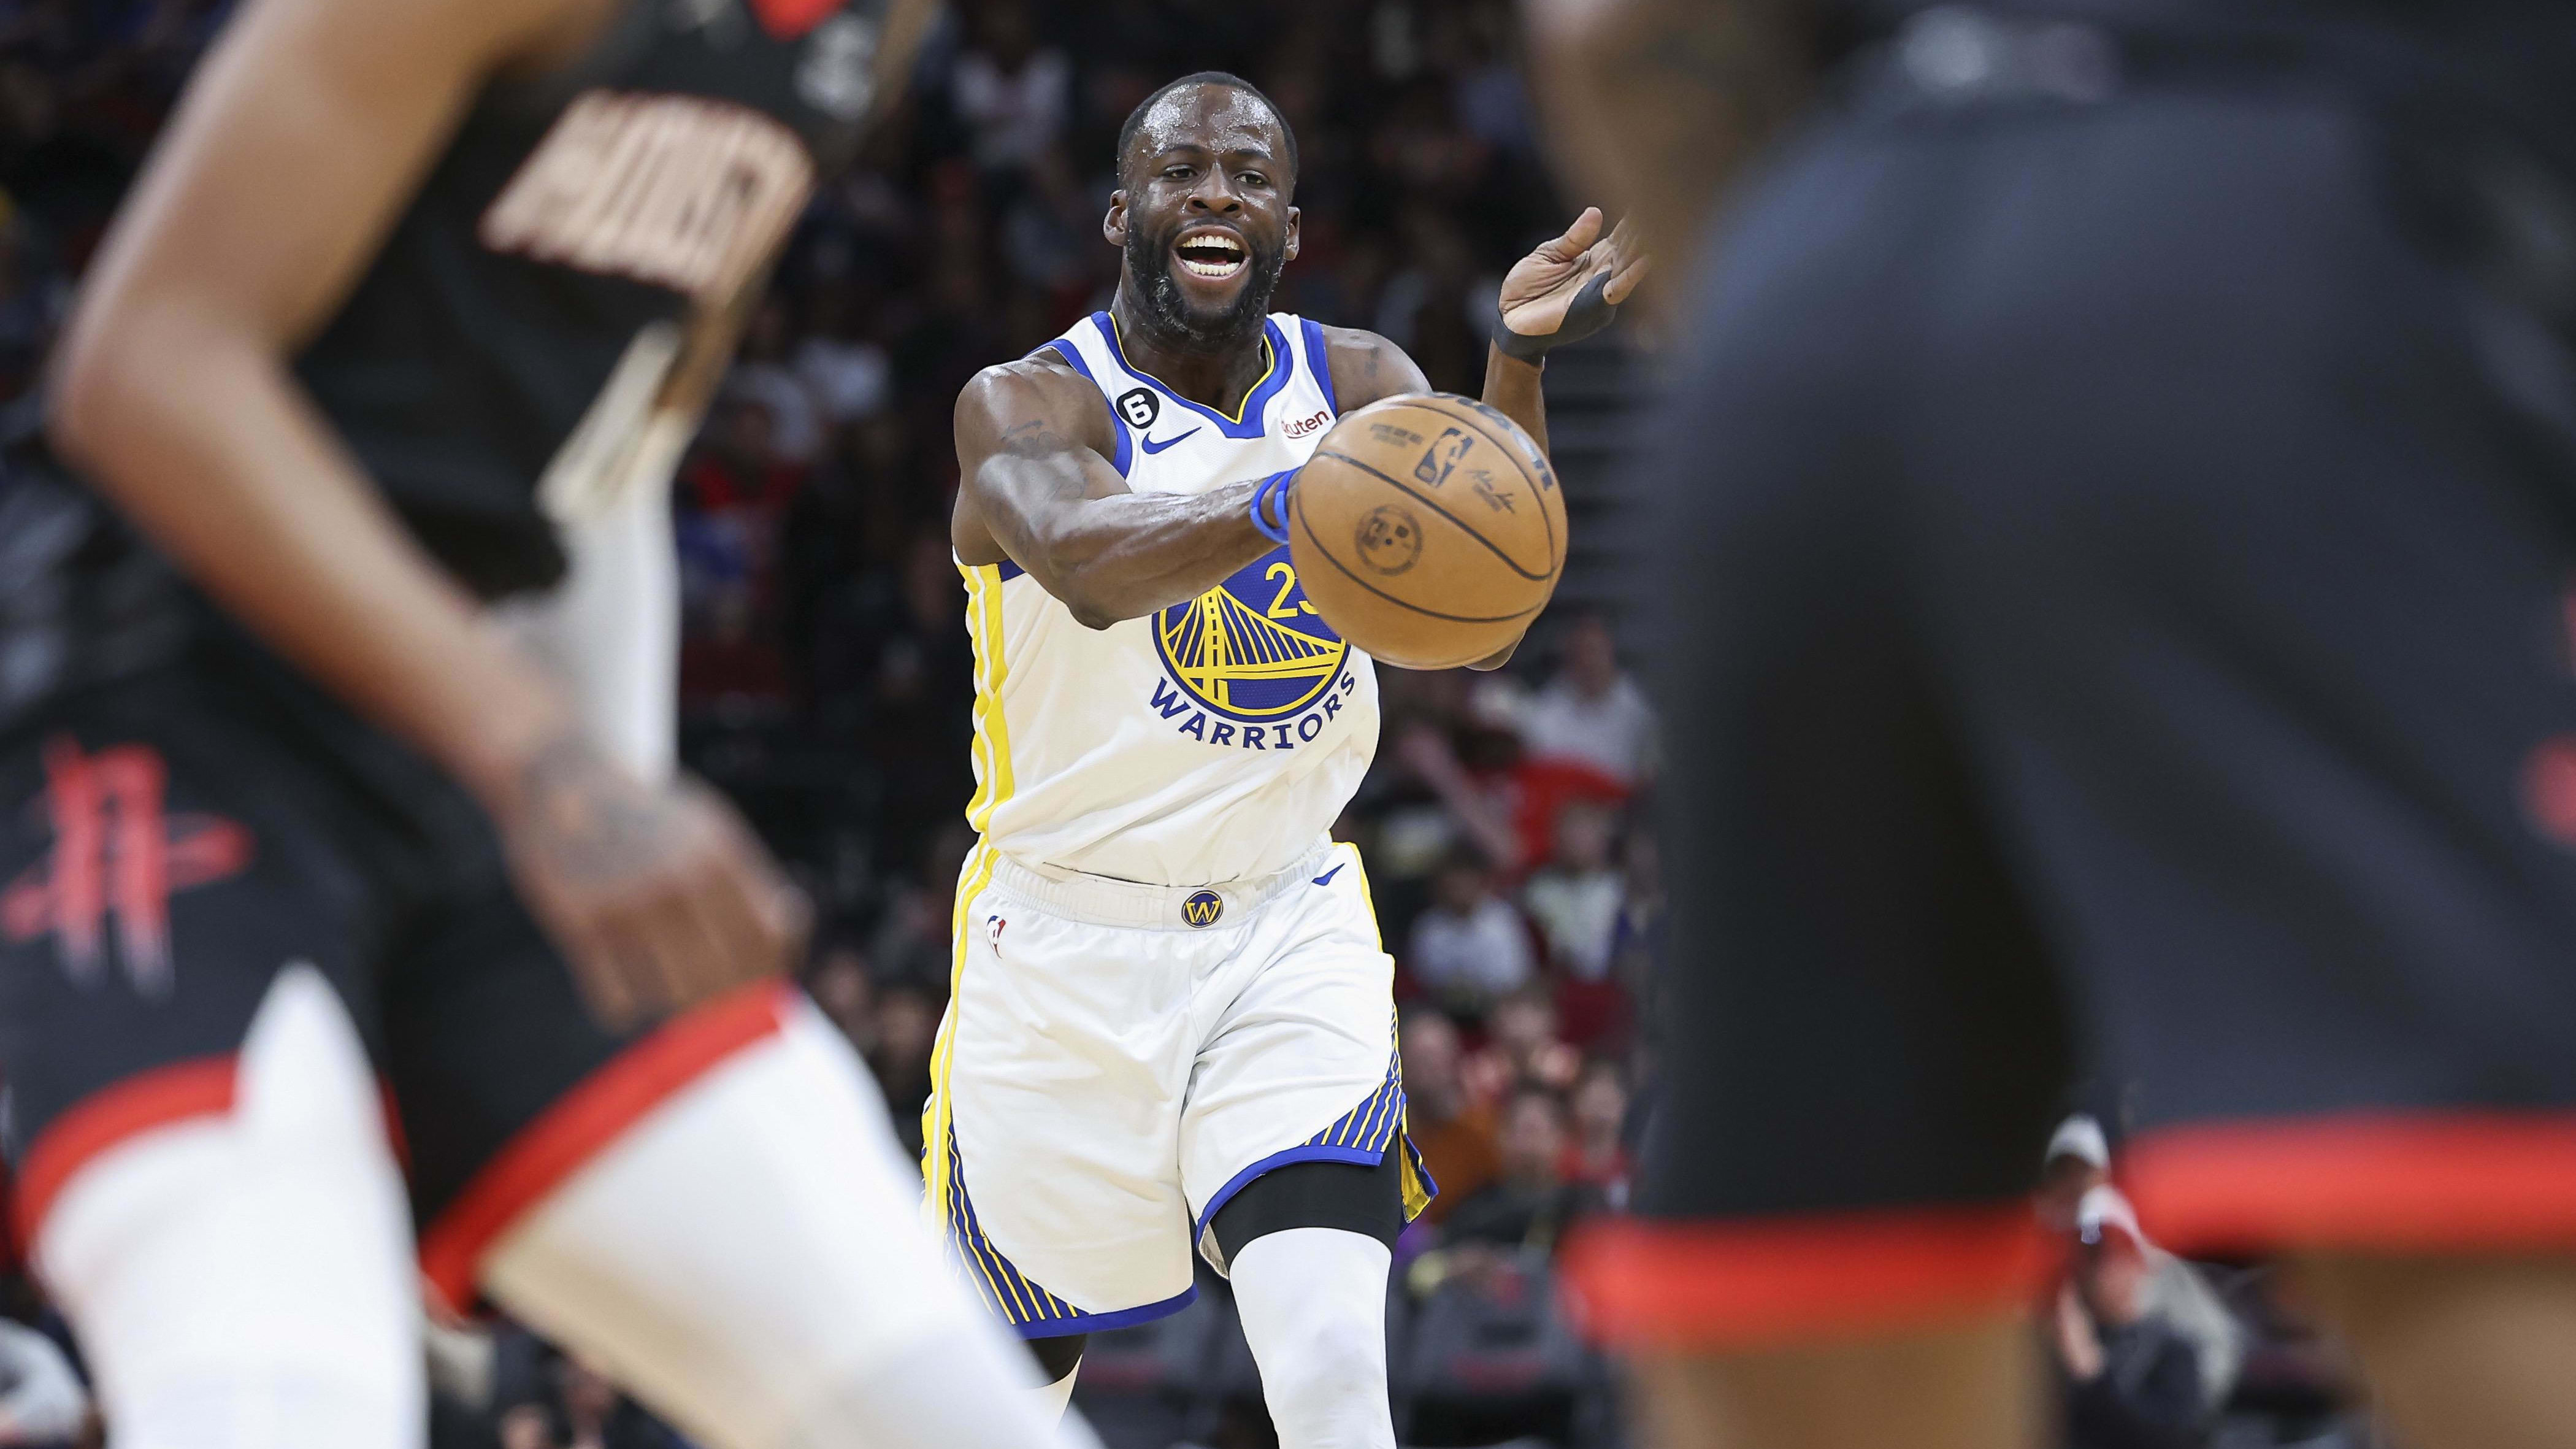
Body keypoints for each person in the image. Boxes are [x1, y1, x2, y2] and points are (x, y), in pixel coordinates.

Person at [0, 0, 1081, 1446]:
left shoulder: (873, 33)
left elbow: (614, 455)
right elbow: (143, 367)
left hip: (455, 749)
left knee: (950, 1417)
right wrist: (554, 763)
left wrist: (603, 794)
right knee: (275, 1400)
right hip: (153, 714)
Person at [1538, 2, 2576, 1448]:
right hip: (2298, 215)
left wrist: (1786, 320)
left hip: (1814, 278)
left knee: (1812, 1319)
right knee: (2492, 1241)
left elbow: (1610, 27)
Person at [938, 68, 1644, 1449]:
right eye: (1182, 171)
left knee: (1329, 1369)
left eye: (1250, 177)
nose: (1216, 194)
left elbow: (1487, 628)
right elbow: (1084, 564)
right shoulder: (1027, 404)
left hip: (1286, 925)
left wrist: (1515, 366)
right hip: (1062, 949)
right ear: (1119, 216)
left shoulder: (1364, 382)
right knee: (992, 1417)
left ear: (1290, 229)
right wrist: (1306, 501)